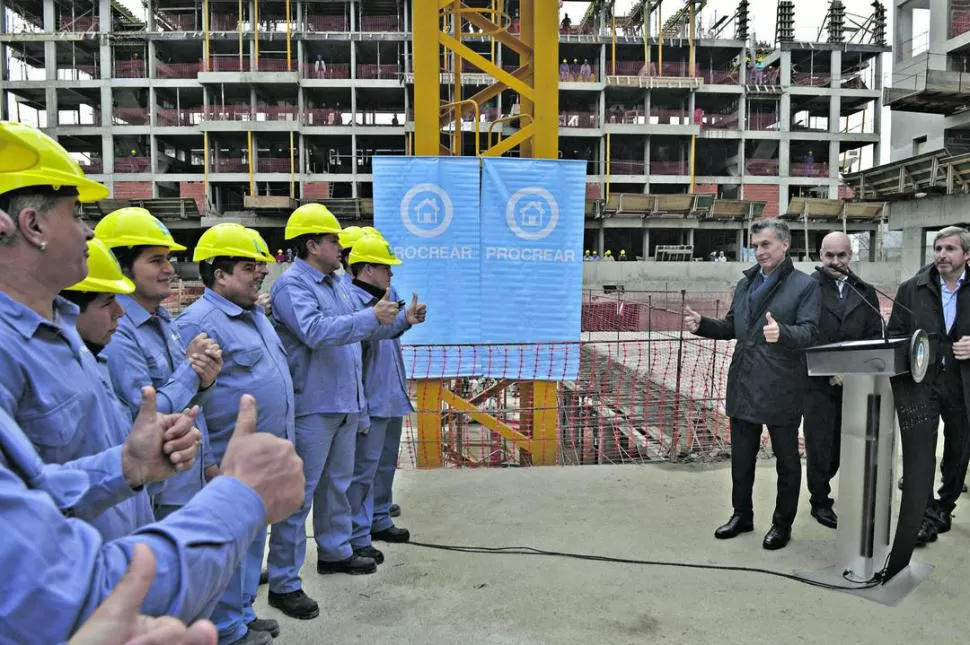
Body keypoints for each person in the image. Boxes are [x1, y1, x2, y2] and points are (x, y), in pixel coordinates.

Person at [0, 120, 306, 642]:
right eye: (77, 214)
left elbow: (41, 485)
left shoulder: (56, 332)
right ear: (31, 225)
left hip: (135, 520)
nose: (89, 232)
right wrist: (240, 497)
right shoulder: (27, 344)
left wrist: (125, 464)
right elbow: (61, 588)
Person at [266, 204, 402, 619]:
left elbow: (361, 327)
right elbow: (314, 331)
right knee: (298, 494)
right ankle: (284, 581)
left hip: (343, 400)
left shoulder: (337, 283)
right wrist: (368, 316)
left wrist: (396, 321)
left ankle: (335, 550)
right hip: (314, 405)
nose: (341, 246)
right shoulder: (294, 287)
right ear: (312, 245)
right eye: (333, 240)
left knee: (337, 485)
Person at [175, 224, 291, 645]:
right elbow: (192, 398)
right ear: (218, 274)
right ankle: (225, 629)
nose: (261, 272)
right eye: (248, 267)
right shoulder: (198, 323)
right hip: (229, 457)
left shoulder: (253, 314)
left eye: (259, 265)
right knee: (227, 545)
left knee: (251, 538)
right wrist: (208, 461)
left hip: (263, 454)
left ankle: (242, 611)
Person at [684, 218, 820, 550]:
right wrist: (703, 325)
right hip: (744, 379)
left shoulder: (804, 286)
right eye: (755, 245)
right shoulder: (746, 284)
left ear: (785, 245)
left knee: (787, 460)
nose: (758, 251)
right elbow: (733, 326)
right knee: (741, 458)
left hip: (782, 383)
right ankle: (741, 514)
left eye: (766, 244)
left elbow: (812, 332)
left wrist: (783, 333)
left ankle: (781, 524)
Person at [97, 207, 223, 519]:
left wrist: (204, 380)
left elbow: (191, 406)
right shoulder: (117, 330)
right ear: (121, 267)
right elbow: (143, 414)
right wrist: (192, 370)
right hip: (156, 493)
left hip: (186, 479)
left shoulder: (164, 321)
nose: (169, 269)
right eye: (156, 260)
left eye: (168, 258)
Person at [57, 238, 156, 540]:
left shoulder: (92, 361)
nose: (120, 312)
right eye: (106, 302)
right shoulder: (51, 375)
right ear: (67, 309)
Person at [346, 233, 426, 565]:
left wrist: (406, 320)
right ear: (365, 268)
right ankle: (357, 534)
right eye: (385, 268)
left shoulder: (385, 297)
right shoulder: (350, 302)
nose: (391, 274)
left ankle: (379, 517)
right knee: (362, 471)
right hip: (370, 398)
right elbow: (364, 336)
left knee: (383, 465)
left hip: (390, 394)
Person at [888, 226, 970, 547]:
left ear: (966, 254)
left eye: (950, 249)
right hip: (921, 381)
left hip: (962, 383)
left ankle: (944, 506)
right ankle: (922, 515)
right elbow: (895, 332)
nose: (941, 255)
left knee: (959, 446)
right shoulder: (912, 288)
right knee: (920, 447)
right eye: (937, 248)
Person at [804, 232, 883, 529]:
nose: (836, 262)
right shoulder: (806, 288)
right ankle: (820, 501)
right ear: (819, 255)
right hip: (816, 385)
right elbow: (801, 335)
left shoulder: (865, 291)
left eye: (842, 255)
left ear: (850, 256)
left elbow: (875, 336)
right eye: (829, 255)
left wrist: (853, 371)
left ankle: (850, 495)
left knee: (845, 446)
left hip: (855, 384)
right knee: (820, 445)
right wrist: (829, 371)